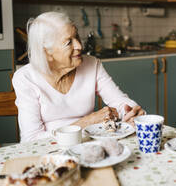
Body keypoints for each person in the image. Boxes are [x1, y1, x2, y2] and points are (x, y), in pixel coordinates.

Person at [12, 12, 145, 142]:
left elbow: (119, 100)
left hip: (88, 144)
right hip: (50, 151)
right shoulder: (26, 78)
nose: (79, 46)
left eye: (77, 37)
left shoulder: (92, 64)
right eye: (68, 42)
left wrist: (131, 112)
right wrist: (86, 122)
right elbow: (31, 140)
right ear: (47, 52)